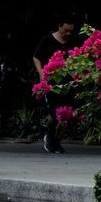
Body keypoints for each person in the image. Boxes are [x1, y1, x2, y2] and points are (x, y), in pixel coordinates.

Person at [33, 16, 80, 154]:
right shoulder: (48, 40)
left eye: (71, 31)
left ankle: (57, 142)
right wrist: (41, 74)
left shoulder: (74, 40)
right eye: (66, 30)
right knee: (54, 115)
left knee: (66, 117)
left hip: (70, 84)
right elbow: (36, 57)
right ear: (59, 26)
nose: (68, 34)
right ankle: (49, 136)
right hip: (52, 84)